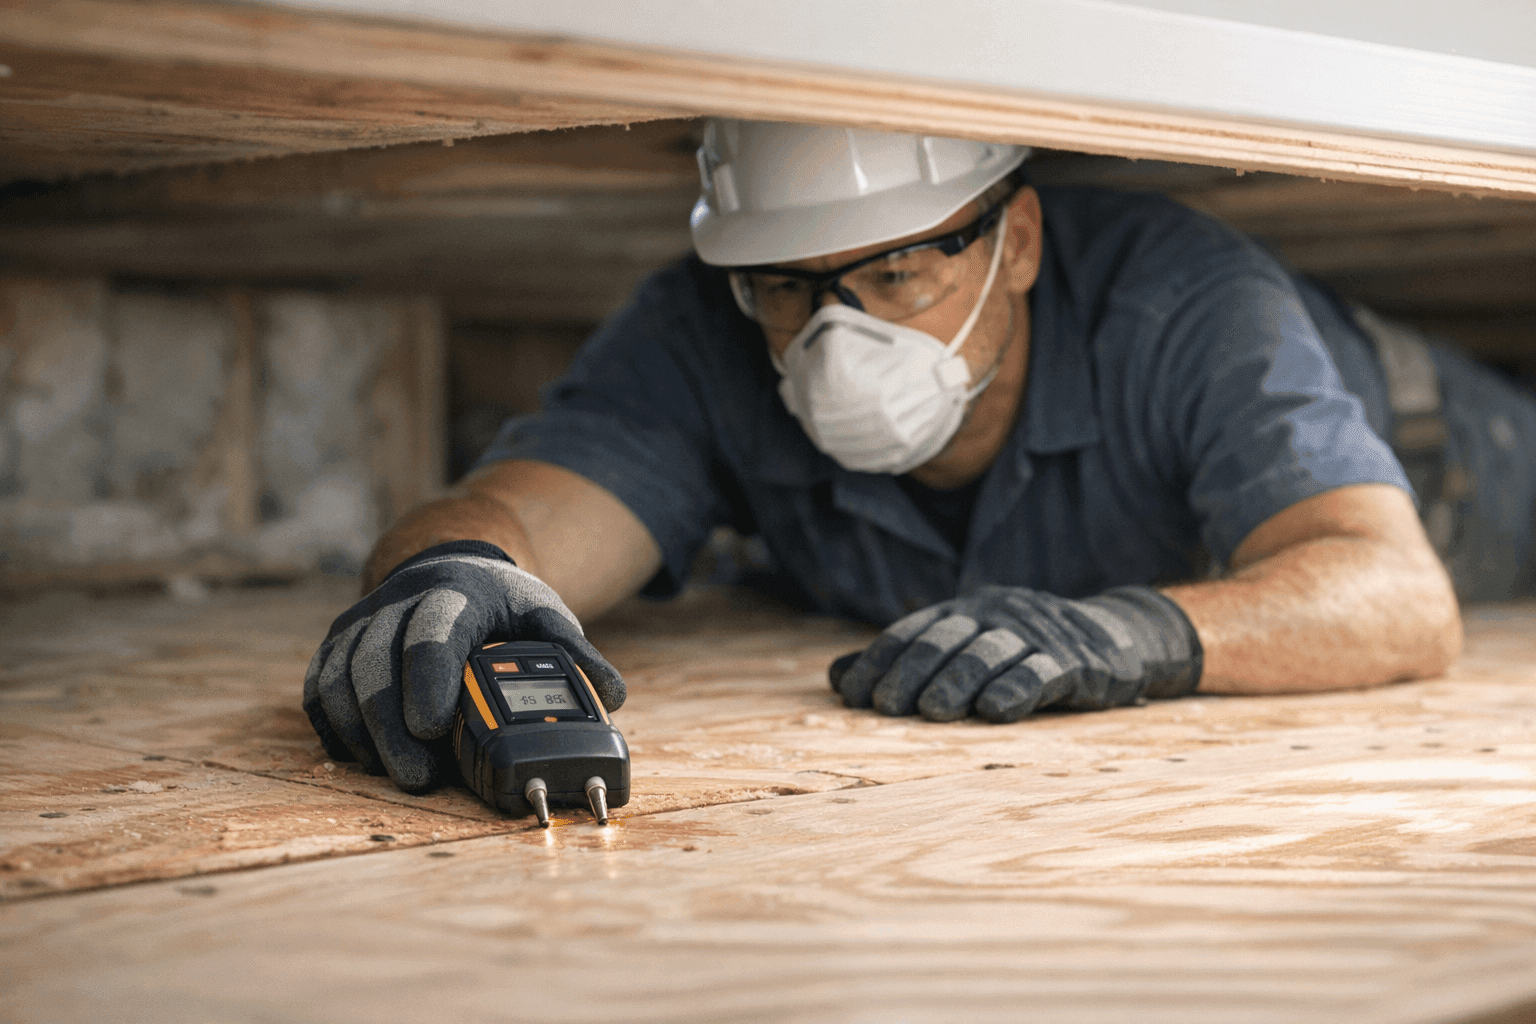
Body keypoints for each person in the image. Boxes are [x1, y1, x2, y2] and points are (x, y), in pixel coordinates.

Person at [303, 119, 1536, 795]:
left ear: (1023, 240)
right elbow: (514, 513)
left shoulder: (1190, 303)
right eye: (792, 289)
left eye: (900, 272)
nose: (844, 335)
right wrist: (448, 574)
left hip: (1449, 454)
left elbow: (1398, 593)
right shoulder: (701, 331)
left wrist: (1128, 635)